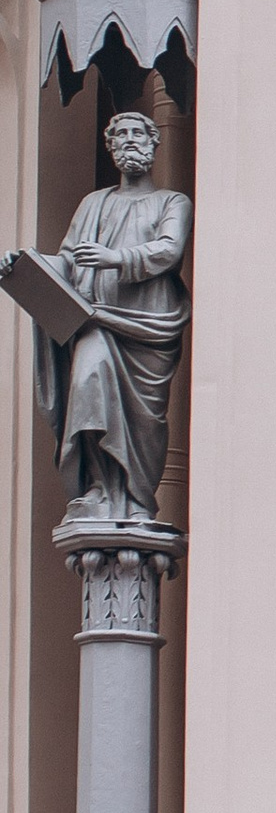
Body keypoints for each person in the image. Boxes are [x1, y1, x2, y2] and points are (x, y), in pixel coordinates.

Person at [0, 109, 191, 526]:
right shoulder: (93, 204)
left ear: (154, 143)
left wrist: (115, 258)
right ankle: (100, 490)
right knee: (88, 381)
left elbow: (168, 250)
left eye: (137, 132)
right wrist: (29, 266)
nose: (129, 140)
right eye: (120, 134)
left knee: (145, 421)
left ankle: (136, 496)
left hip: (146, 330)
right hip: (95, 322)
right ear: (111, 146)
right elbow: (68, 261)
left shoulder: (172, 202)